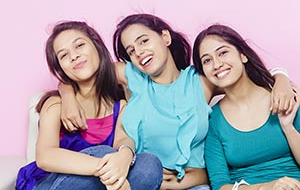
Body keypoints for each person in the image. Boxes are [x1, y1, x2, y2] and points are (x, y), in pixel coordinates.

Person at [59, 14, 295, 190]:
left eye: (143, 41)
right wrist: (67, 94)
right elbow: (84, 70)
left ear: (165, 37)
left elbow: (237, 70)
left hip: (193, 184)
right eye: (131, 50)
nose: (139, 52)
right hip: (140, 179)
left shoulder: (200, 82)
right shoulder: (132, 78)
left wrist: (280, 77)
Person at [16, 21, 163, 190]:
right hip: (51, 184)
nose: (74, 56)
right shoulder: (55, 104)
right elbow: (45, 157)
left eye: (79, 45)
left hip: (100, 184)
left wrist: (125, 155)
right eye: (64, 55)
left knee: (148, 165)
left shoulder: (120, 105)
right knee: (104, 152)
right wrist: (109, 170)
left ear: (97, 46)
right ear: (61, 69)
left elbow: (123, 139)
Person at [192, 24, 300, 190]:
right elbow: (220, 185)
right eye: (207, 60)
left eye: (222, 52)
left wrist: (288, 128)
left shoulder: (283, 96)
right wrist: (266, 187)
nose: (216, 64)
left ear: (243, 55)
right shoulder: (213, 121)